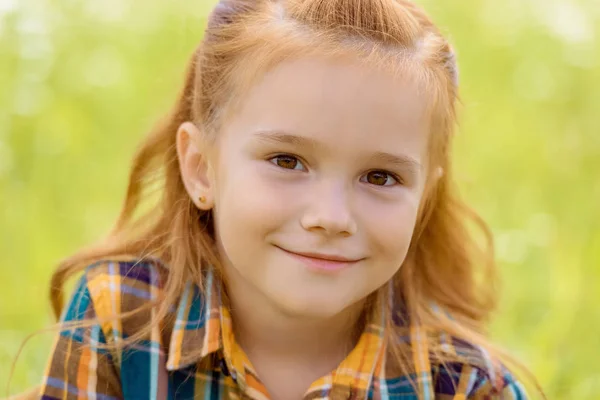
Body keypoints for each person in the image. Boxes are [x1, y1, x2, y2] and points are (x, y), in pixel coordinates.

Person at [35, 0, 536, 398]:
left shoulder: (465, 387)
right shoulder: (122, 321)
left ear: (424, 196)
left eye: (380, 177)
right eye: (287, 161)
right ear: (201, 167)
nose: (330, 218)